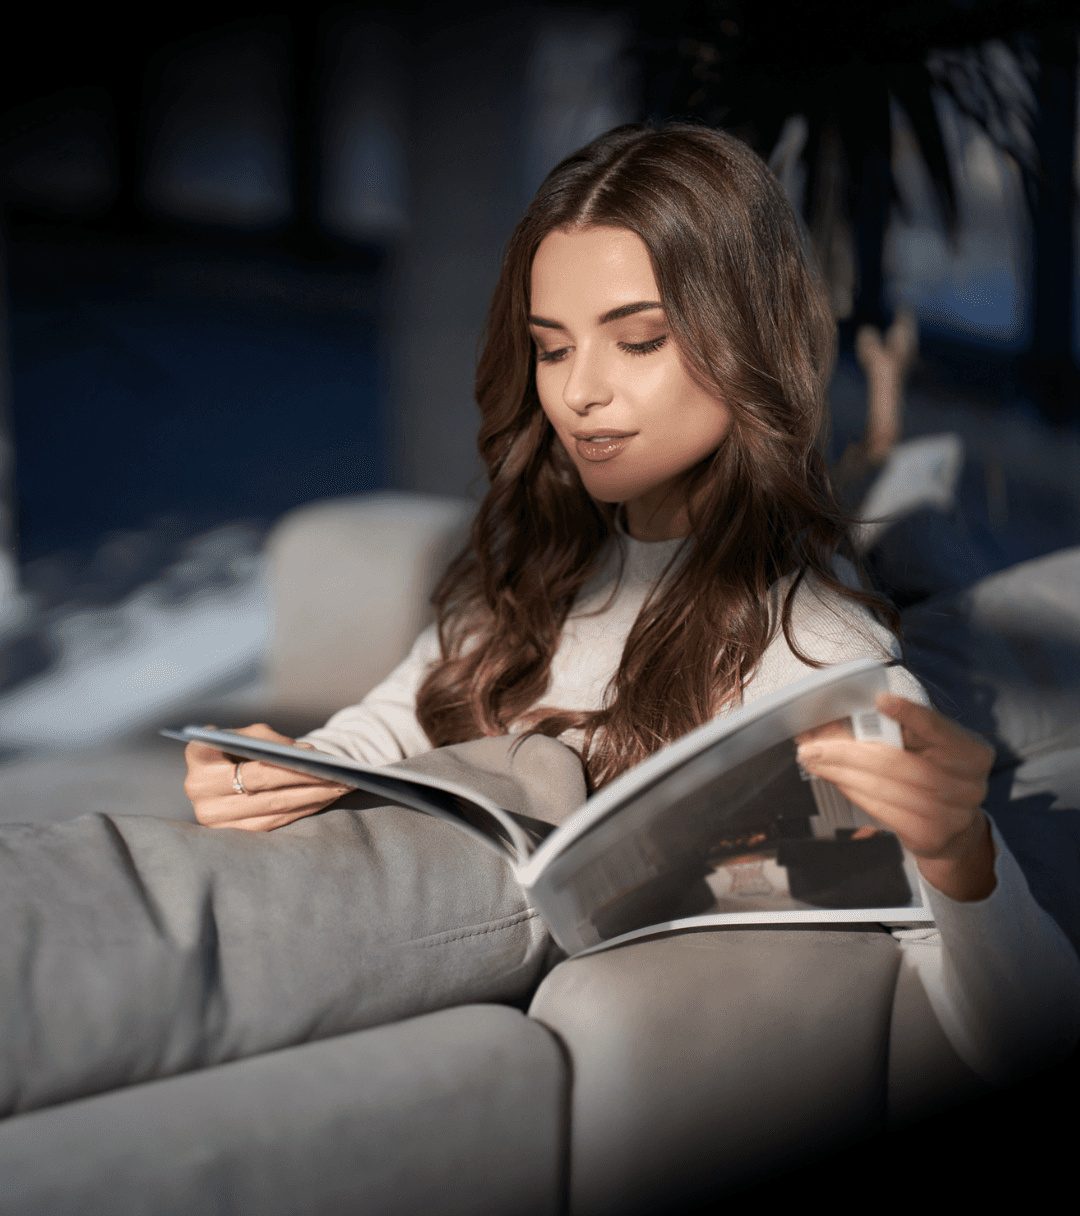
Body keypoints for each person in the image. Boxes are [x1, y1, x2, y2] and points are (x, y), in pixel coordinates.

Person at [1, 126, 1076, 1131]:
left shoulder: (821, 657)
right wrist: (285, 770)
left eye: (637, 340)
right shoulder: (543, 561)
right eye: (552, 349)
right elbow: (385, 723)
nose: (581, 396)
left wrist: (963, 856)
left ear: (751, 336)